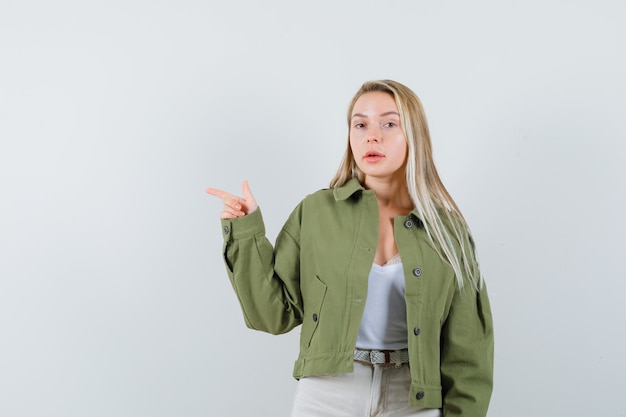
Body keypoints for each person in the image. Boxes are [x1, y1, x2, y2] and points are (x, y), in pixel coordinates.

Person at [206, 80, 494, 417]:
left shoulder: (448, 231)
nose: (372, 136)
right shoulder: (315, 211)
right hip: (327, 392)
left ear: (414, 135)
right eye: (360, 124)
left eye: (389, 123)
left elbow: (469, 350)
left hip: (413, 396)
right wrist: (246, 231)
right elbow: (273, 315)